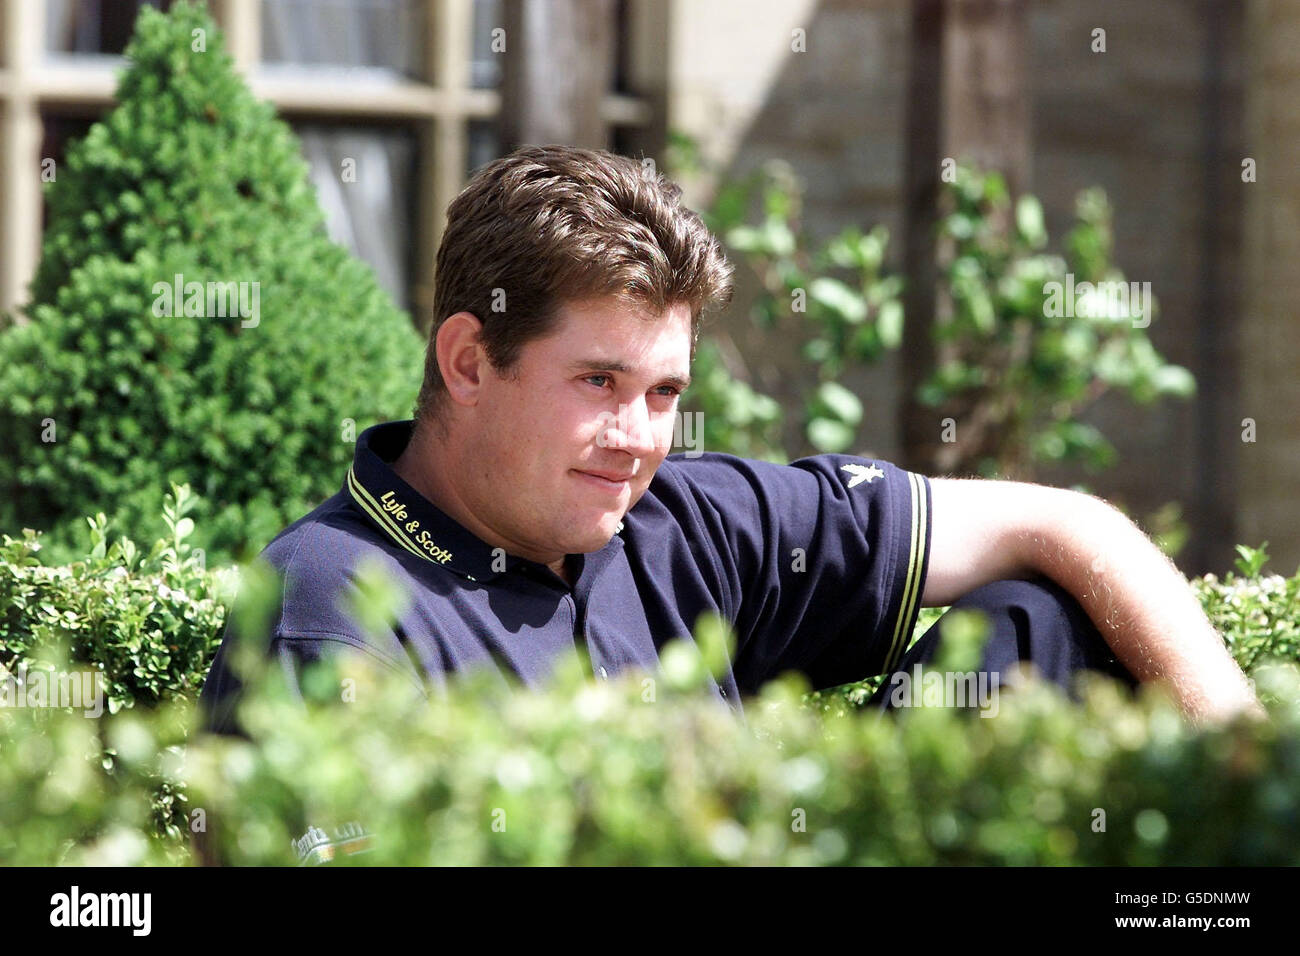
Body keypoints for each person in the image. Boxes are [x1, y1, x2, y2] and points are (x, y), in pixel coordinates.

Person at [197, 144, 1262, 737]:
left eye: (664, 390)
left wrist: (1248, 771)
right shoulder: (327, 605)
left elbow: (1061, 520)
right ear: (469, 361)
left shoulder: (686, 522)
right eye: (599, 382)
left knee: (1037, 623)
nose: (636, 438)